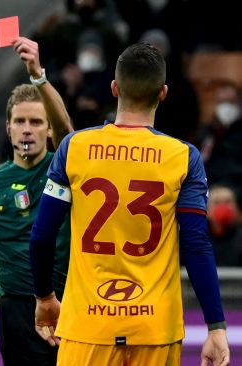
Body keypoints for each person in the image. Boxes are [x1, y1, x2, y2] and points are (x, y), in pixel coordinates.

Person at [29, 43, 230, 365]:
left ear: (114, 87)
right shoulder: (183, 157)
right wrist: (216, 326)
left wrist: (44, 297)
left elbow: (42, 235)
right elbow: (196, 244)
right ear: (163, 93)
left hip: (87, 326)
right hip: (154, 328)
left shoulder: (75, 148)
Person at [0, 37, 73, 366]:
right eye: (20, 122)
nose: (27, 130)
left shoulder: (65, 169)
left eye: (36, 122)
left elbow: (68, 131)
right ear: (8, 128)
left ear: (48, 130)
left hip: (67, 302)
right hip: (13, 308)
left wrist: (38, 75)